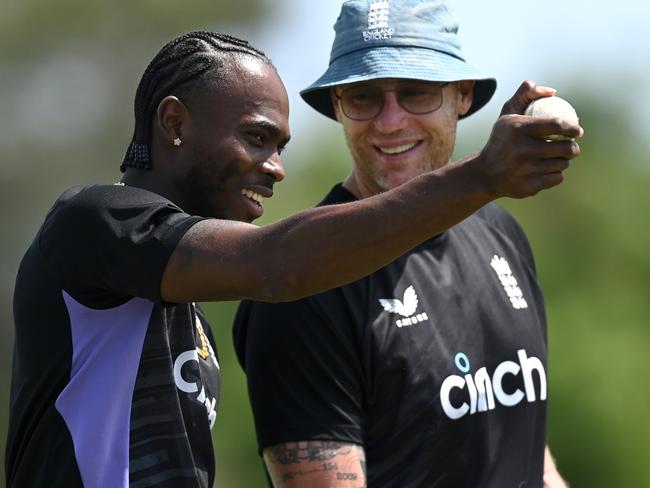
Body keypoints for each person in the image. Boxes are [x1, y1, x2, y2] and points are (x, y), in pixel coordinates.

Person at [5, 22, 579, 488]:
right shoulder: (90, 223)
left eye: (280, 147)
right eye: (257, 138)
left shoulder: (179, 311)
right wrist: (483, 175)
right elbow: (277, 265)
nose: (276, 168)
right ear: (175, 123)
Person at [234, 1, 581, 487]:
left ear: (462, 95)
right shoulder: (302, 286)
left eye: (416, 92)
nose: (390, 121)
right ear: (337, 106)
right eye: (363, 96)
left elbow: (524, 450)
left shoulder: (500, 233)